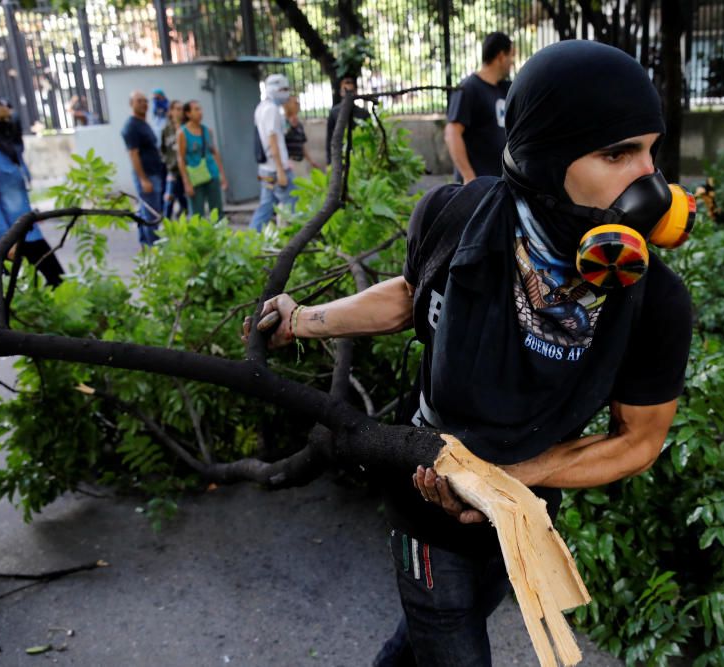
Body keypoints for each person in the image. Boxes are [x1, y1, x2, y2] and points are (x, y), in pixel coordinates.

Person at [246, 40, 693, 665]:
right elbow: (408, 296)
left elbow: (637, 441)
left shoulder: (654, 301)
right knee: (447, 630)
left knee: (428, 639)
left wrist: (506, 482)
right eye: (617, 153)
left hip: (525, 507)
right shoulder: (455, 215)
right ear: (545, 157)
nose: (651, 182)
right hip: (423, 490)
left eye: (651, 150)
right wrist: (303, 320)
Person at [0, 97, 64, 287]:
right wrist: (7, 242)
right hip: (7, 235)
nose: (9, 122)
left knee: (57, 281)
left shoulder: (11, 151)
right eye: (2, 118)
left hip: (30, 230)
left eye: (9, 117)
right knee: (21, 292)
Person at [444, 32, 515, 183]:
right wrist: (468, 175)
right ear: (501, 56)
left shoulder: (505, 88)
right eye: (511, 56)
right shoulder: (468, 88)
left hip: (500, 181)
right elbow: (452, 133)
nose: (512, 62)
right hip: (477, 184)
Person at [250, 74, 295, 232]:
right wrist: (281, 170)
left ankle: (251, 237)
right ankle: (297, 240)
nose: (286, 93)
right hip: (276, 169)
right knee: (292, 204)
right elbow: (272, 140)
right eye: (283, 89)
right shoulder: (271, 109)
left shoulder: (261, 107)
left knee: (266, 206)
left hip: (265, 169)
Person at [121, 90, 166, 246]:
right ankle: (154, 246)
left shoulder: (143, 123)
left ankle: (146, 245)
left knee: (146, 212)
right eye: (139, 101)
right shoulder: (131, 126)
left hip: (154, 173)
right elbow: (133, 154)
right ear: (131, 104)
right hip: (147, 176)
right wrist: (143, 179)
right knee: (151, 215)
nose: (143, 104)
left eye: (145, 101)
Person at [177, 100, 227, 220]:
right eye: (196, 109)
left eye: (200, 109)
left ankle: (219, 236)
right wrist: (186, 183)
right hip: (195, 178)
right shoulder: (182, 133)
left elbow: (214, 153)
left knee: (217, 211)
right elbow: (181, 158)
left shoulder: (207, 131)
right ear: (188, 113)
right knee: (197, 214)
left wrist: (222, 175)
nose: (200, 112)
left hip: (212, 174)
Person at [325, 76, 370, 166]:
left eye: (351, 92)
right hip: (341, 155)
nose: (349, 95)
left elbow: (369, 135)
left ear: (355, 92)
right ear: (341, 92)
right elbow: (330, 137)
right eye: (346, 92)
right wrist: (329, 161)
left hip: (359, 155)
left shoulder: (363, 113)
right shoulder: (334, 112)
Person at [160, 99, 188, 219]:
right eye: (176, 109)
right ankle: (166, 222)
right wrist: (168, 162)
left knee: (183, 197)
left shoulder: (187, 128)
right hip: (173, 169)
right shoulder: (166, 129)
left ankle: (183, 217)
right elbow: (162, 150)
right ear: (171, 111)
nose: (179, 112)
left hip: (187, 169)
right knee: (169, 196)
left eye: (181, 109)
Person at [283, 95, 319, 176]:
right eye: (295, 103)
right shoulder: (283, 123)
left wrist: (311, 161)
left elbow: (302, 146)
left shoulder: (299, 125)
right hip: (289, 163)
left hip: (300, 162)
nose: (298, 104)